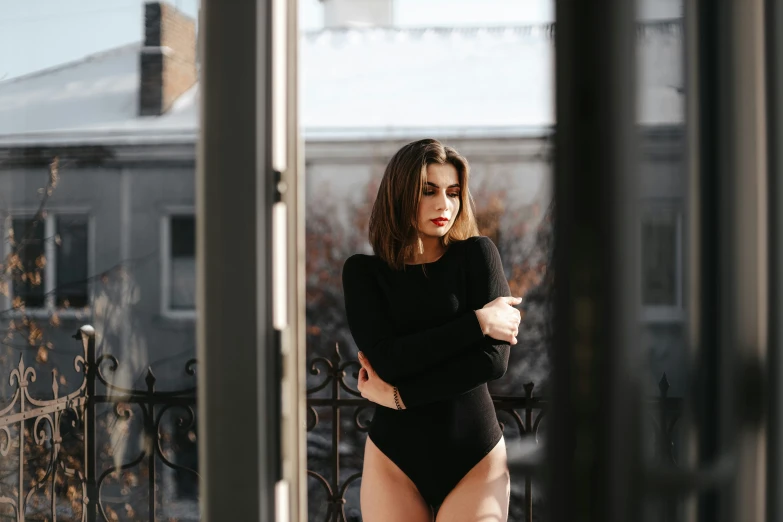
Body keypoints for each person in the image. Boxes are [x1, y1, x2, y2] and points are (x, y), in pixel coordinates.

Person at [342, 138, 522, 522]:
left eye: (453, 192)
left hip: (475, 455)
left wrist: (400, 398)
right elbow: (388, 361)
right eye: (429, 191)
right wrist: (476, 322)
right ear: (399, 195)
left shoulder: (478, 255)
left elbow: (492, 362)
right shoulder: (363, 273)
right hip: (395, 461)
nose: (445, 204)